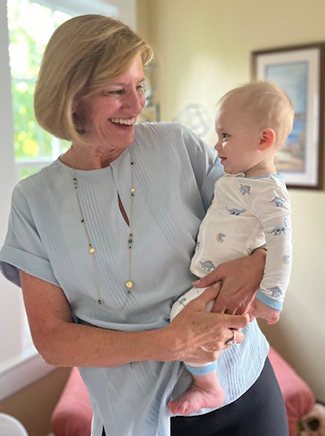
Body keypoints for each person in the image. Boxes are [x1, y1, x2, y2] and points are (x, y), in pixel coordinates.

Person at [0, 15, 289, 436]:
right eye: (117, 91)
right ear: (71, 97)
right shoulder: (33, 202)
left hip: (244, 388)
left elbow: (262, 211)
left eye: (139, 86)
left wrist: (259, 260)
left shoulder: (179, 145)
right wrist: (169, 342)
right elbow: (52, 341)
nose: (136, 106)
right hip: (140, 420)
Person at [167, 82, 293, 417]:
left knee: (183, 319)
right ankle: (212, 380)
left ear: (263, 140)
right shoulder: (238, 179)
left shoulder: (270, 193)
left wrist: (272, 296)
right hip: (209, 275)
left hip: (224, 286)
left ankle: (208, 387)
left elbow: (282, 246)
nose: (216, 145)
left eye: (225, 136)